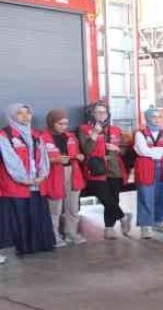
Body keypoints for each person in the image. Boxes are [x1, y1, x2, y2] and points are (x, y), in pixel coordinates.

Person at [0, 104, 55, 255]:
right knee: (20, 219)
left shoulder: (36, 135)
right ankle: (21, 248)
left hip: (37, 184)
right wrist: (24, 179)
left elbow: (43, 157)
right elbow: (10, 160)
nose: (25, 116)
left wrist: (43, 174)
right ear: (12, 116)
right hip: (16, 186)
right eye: (20, 113)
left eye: (28, 113)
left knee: (36, 216)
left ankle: (38, 245)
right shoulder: (4, 135)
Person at [78, 101, 132, 239]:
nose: (101, 115)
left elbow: (125, 149)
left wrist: (117, 149)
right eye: (98, 112)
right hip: (96, 169)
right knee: (105, 198)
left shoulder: (115, 129)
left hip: (114, 169)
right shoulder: (84, 129)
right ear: (92, 114)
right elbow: (86, 150)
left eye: (104, 112)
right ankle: (123, 216)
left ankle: (109, 228)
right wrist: (95, 133)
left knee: (114, 198)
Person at [40, 109, 87, 247]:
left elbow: (78, 153)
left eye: (66, 123)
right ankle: (54, 236)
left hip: (72, 173)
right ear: (51, 123)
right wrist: (54, 159)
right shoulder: (43, 138)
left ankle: (71, 233)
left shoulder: (71, 137)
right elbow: (38, 159)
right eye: (60, 124)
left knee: (72, 207)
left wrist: (80, 157)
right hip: (53, 174)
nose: (64, 126)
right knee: (55, 208)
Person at [134, 107, 163, 239]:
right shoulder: (140, 134)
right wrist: (161, 150)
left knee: (162, 195)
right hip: (146, 168)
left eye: (159, 117)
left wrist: (155, 151)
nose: (157, 120)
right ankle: (146, 226)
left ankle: (160, 221)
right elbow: (143, 151)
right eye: (154, 117)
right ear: (147, 118)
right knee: (146, 196)